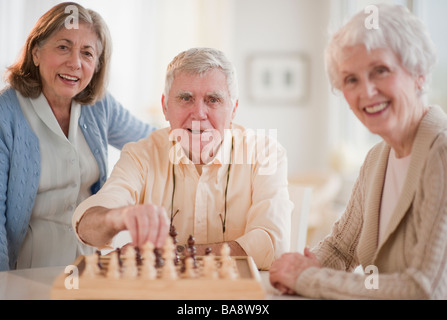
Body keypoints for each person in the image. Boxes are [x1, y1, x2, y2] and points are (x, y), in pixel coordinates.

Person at [270, 4, 447, 299]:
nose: (366, 92)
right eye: (351, 79)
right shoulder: (377, 157)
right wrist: (304, 266)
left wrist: (308, 278)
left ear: (419, 74)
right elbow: (341, 248)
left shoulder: (440, 155)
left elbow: (423, 290)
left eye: (380, 71)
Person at [73, 47, 293, 270]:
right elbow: (87, 228)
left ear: (233, 109)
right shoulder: (141, 154)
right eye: (185, 98)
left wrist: (173, 254)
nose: (198, 113)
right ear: (165, 107)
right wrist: (117, 217)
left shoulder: (265, 154)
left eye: (213, 99)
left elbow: (273, 245)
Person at [0, 2, 155, 271]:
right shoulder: (7, 112)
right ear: (36, 52)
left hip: (92, 268)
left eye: (87, 53)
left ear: (97, 65)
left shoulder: (99, 106)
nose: (75, 63)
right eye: (63, 47)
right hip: (28, 272)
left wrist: (204, 134)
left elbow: (152, 144)